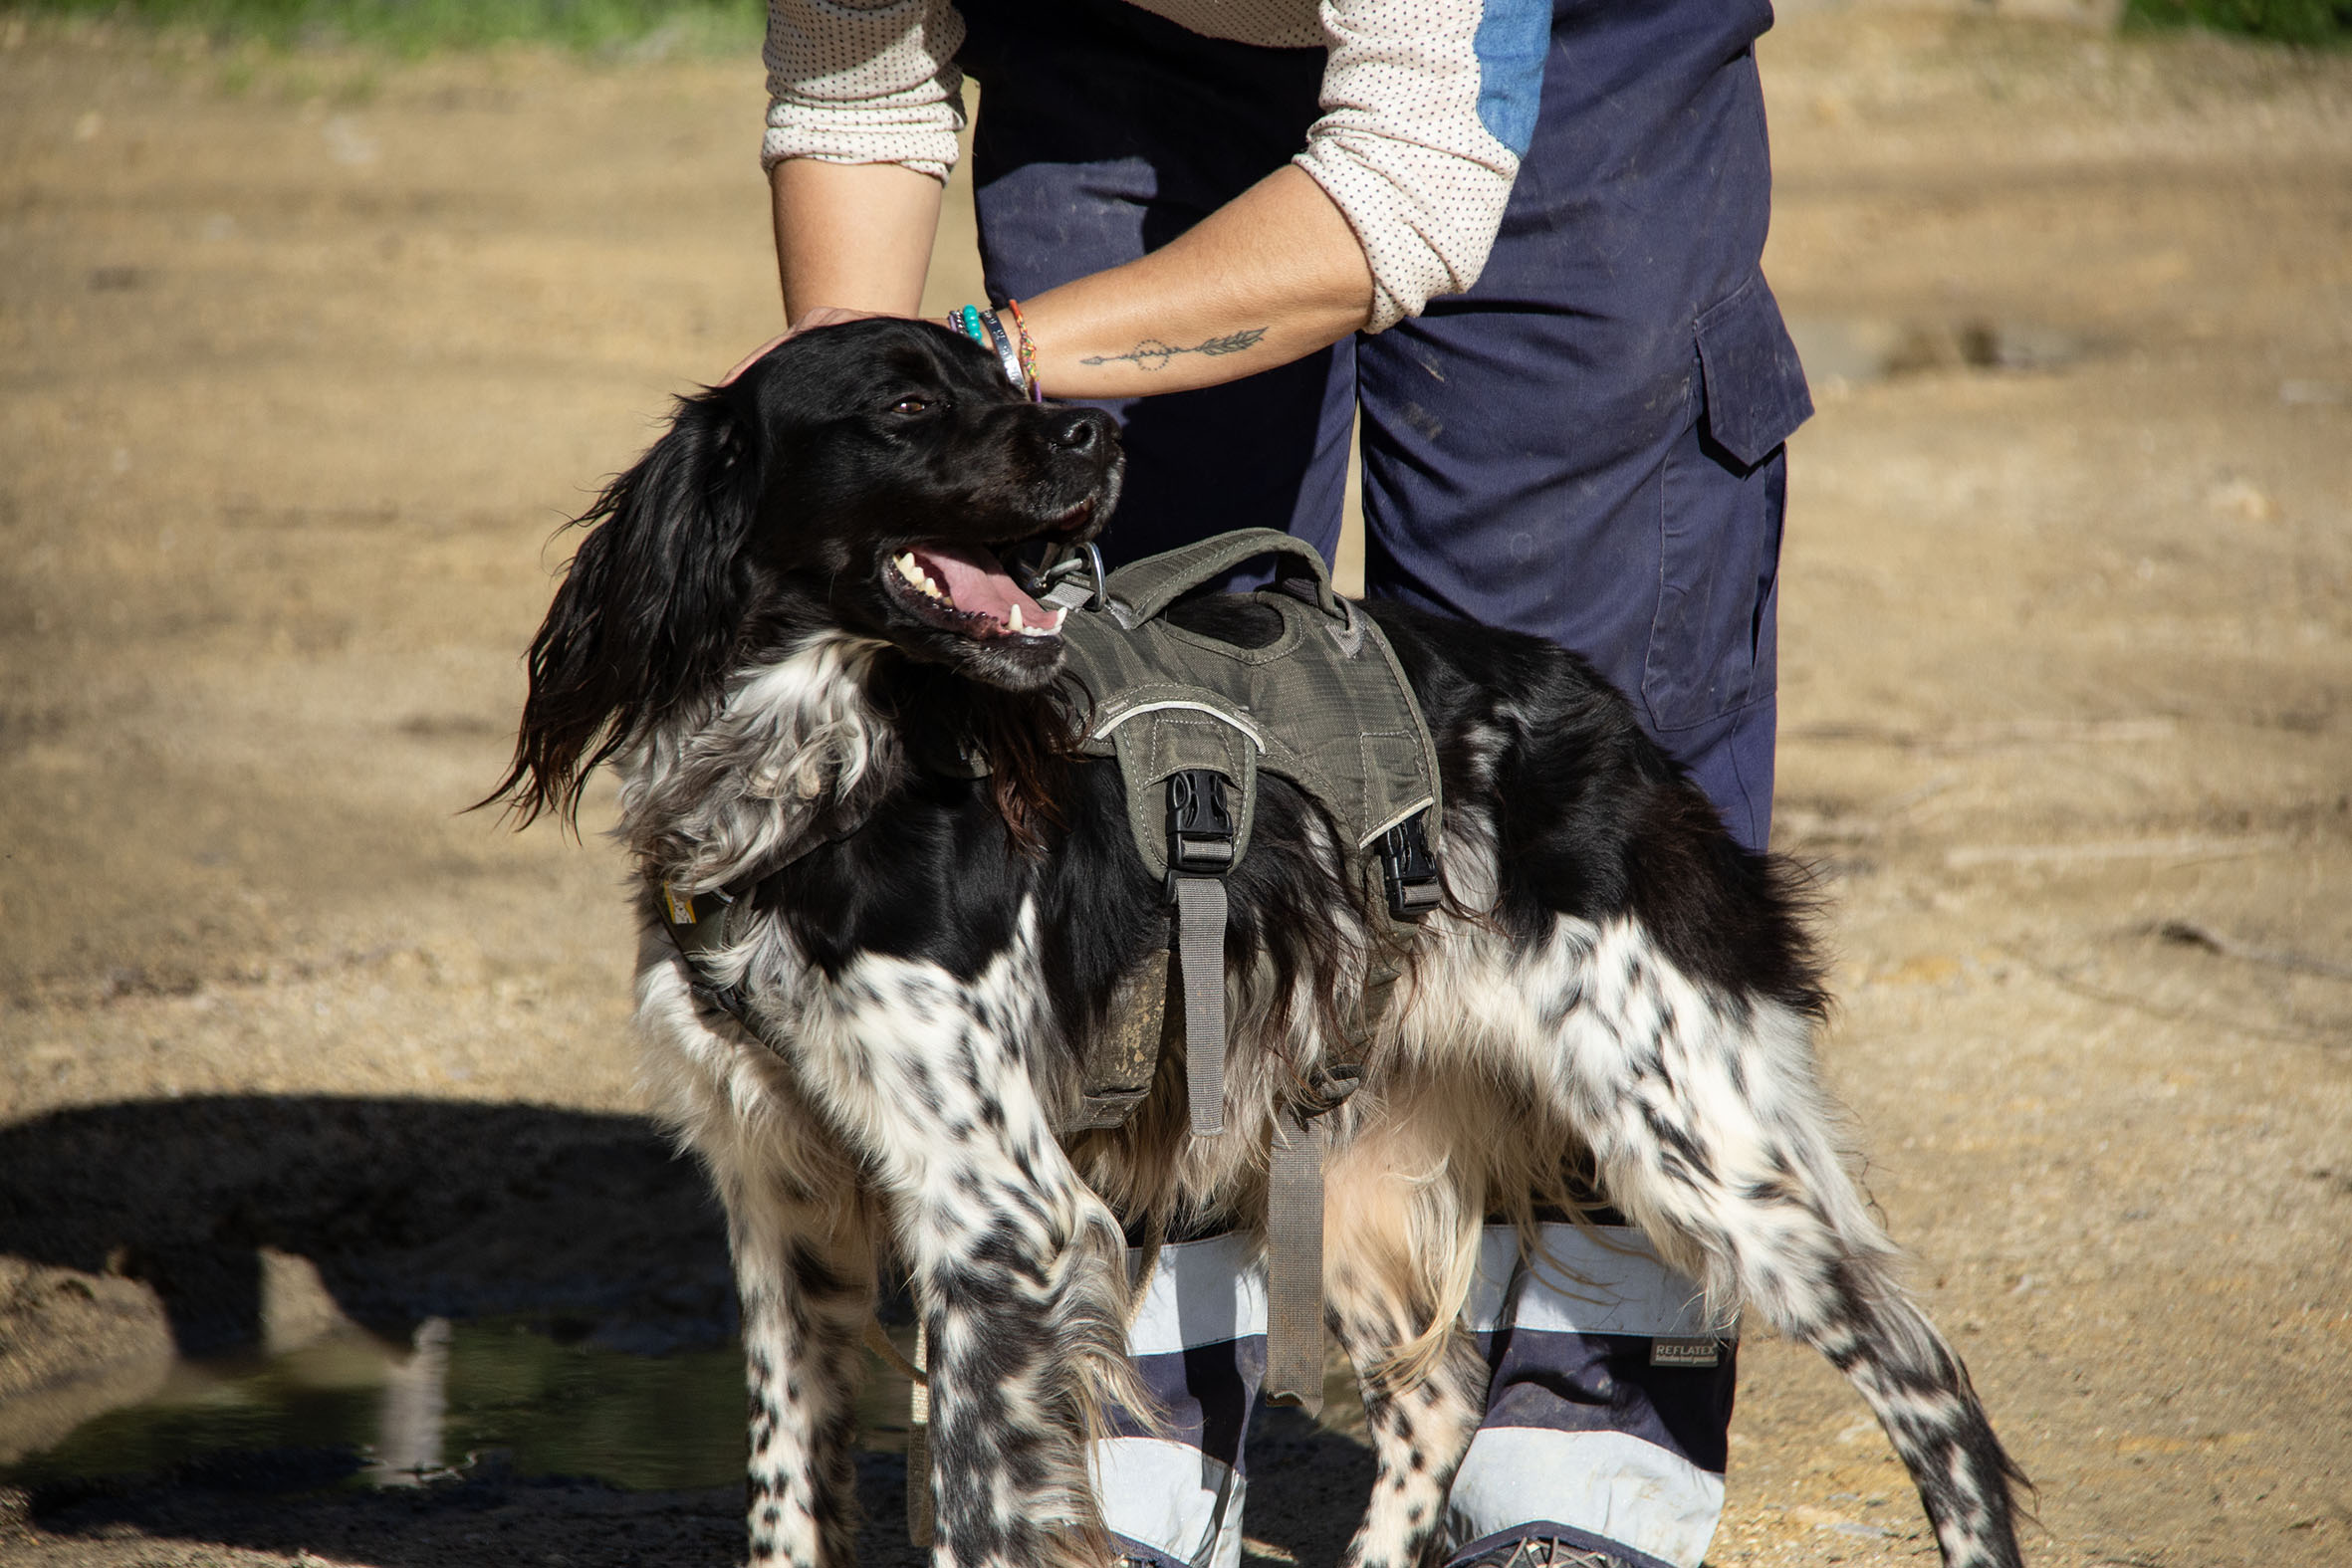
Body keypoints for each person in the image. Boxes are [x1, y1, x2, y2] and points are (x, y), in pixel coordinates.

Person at [748, 3, 1814, 1567]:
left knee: (1568, 734)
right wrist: (854, 434)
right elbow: (855, 87)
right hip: (1115, 47)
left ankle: (1581, 1434)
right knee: (1107, 697)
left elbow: (1407, 184)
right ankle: (1120, 1415)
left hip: (1563, 55)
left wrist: (989, 367)